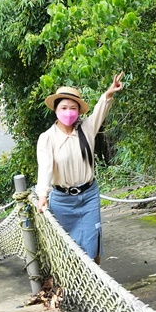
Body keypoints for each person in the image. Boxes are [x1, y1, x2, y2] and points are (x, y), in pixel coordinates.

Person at [35, 74, 123, 261]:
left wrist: (109, 93)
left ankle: (95, 285)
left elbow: (101, 110)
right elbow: (45, 168)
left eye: (73, 108)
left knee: (93, 245)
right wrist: (42, 195)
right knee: (67, 250)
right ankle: (73, 288)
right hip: (62, 200)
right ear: (56, 110)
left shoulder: (87, 128)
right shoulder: (47, 138)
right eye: (64, 108)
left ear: (78, 111)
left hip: (89, 195)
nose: (68, 112)